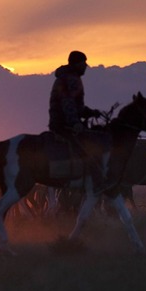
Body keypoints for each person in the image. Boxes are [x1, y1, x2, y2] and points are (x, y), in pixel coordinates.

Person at [48, 51, 110, 192]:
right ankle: (97, 181)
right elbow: (68, 103)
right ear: (77, 64)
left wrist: (92, 112)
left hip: (62, 120)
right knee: (89, 147)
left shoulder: (70, 77)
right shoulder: (70, 79)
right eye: (84, 63)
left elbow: (77, 106)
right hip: (63, 123)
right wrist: (75, 123)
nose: (86, 67)